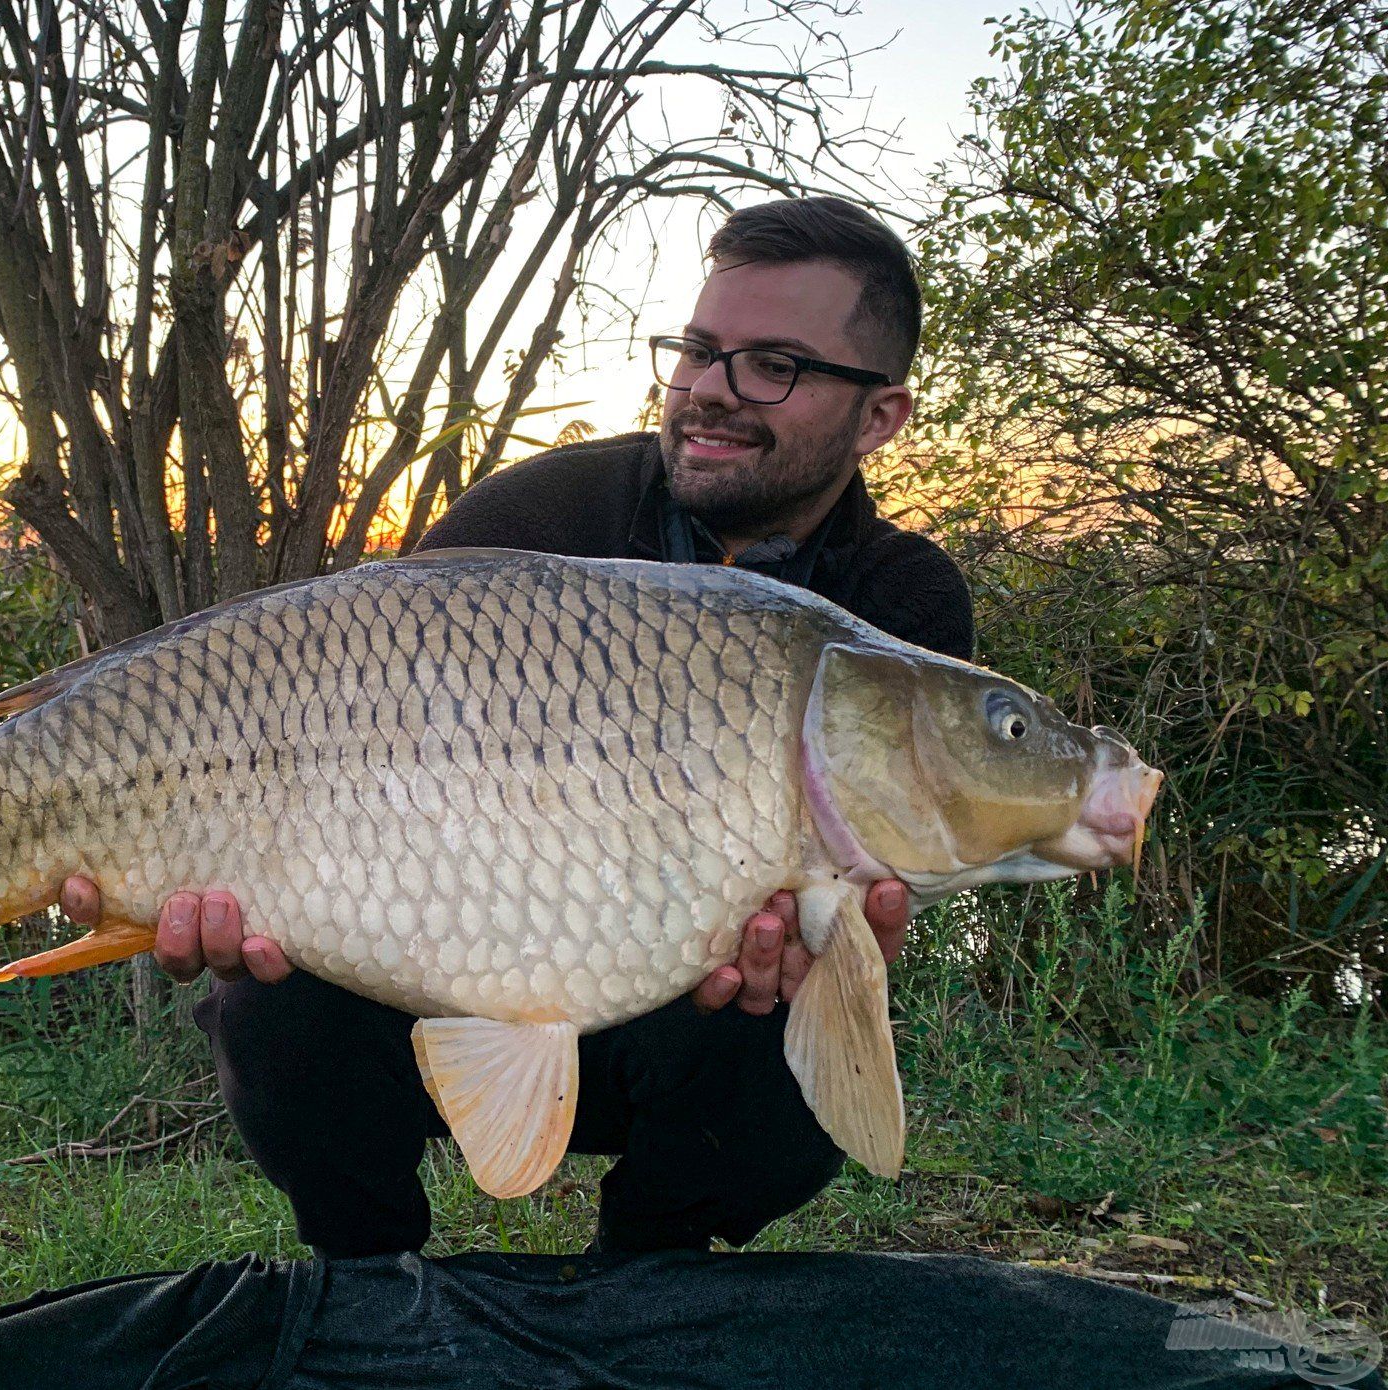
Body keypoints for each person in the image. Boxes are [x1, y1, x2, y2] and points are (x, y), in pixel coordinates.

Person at [59, 196, 974, 1256]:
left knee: (794, 1003)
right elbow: (324, 732)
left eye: (774, 364)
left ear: (879, 417)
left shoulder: (896, 605)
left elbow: (877, 885)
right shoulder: (534, 520)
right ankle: (365, 1280)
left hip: (684, 1020)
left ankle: (649, 1278)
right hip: (435, 977)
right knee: (271, 987)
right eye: (698, 350)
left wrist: (844, 931)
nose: (712, 392)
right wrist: (219, 878)